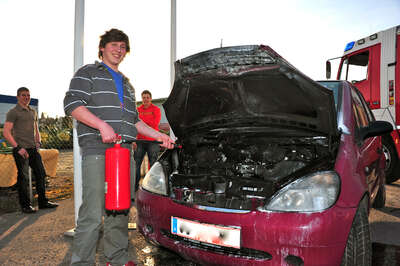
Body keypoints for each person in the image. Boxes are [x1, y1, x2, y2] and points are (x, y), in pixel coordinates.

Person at [63, 28, 174, 266]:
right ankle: (81, 262)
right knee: (92, 212)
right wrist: (101, 125)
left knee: (120, 209)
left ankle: (117, 258)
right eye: (114, 44)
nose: (118, 49)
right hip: (97, 150)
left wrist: (160, 137)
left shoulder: (127, 83)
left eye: (123, 46)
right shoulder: (89, 73)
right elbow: (72, 104)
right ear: (102, 48)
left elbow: (135, 121)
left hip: (125, 153)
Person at [3, 87, 59, 213]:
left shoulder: (32, 111)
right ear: (18, 97)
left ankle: (43, 202)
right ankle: (25, 206)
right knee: (23, 178)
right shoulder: (13, 112)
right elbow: (6, 133)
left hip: (33, 149)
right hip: (21, 150)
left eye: (28, 95)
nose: (26, 97)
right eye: (23, 95)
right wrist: (18, 148)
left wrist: (38, 141)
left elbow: (36, 128)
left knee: (40, 174)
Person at [133, 90, 161, 192]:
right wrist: (135, 139)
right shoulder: (137, 110)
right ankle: (134, 188)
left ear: (150, 98)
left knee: (153, 165)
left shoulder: (156, 109)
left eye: (147, 97)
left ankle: (152, 188)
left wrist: (142, 124)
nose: (145, 99)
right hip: (139, 141)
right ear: (142, 98)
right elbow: (135, 124)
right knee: (136, 164)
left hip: (152, 141)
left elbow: (154, 124)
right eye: (144, 97)